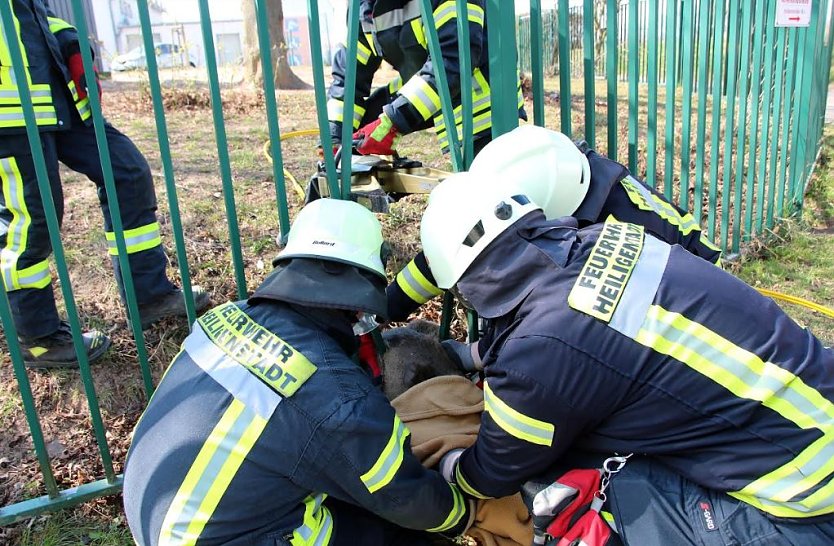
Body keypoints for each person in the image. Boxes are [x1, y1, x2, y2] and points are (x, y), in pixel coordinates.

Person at [418, 174, 834, 545]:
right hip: (814, 419)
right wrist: (476, 355)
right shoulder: (611, 238)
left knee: (568, 490)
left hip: (802, 511)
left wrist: (450, 466)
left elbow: (494, 472)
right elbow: (597, 341)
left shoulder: (536, 356)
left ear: (466, 284)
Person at [123, 198, 474, 546]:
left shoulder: (221, 318)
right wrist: (465, 515)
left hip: (155, 513)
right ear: (360, 295)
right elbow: (402, 495)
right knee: (401, 534)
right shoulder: (337, 397)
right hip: (224, 537)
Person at [0, 0, 209, 369]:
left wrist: (73, 46)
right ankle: (36, 337)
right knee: (33, 219)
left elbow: (33, 17)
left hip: (55, 93)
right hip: (11, 109)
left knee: (126, 173)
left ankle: (148, 296)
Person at [386, 125, 722, 326]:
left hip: (692, 307)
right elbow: (459, 249)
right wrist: (389, 305)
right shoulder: (564, 172)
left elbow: (579, 331)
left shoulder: (617, 231)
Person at [326, 0, 525, 158]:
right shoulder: (364, 6)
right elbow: (348, 76)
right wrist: (336, 135)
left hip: (481, 95)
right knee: (359, 130)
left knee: (484, 183)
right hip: (428, 82)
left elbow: (454, 61)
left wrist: (393, 122)